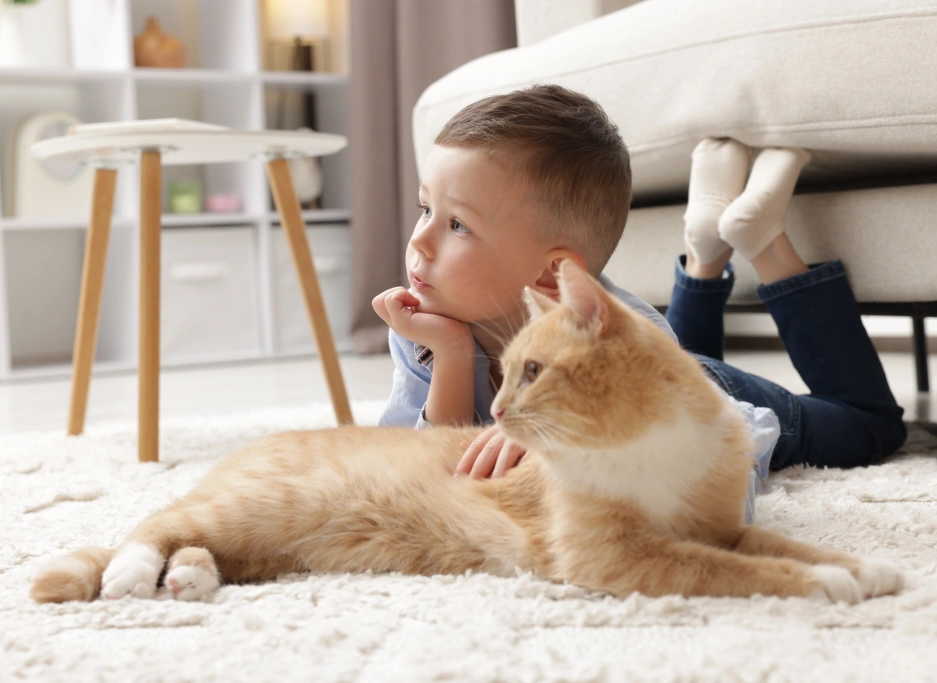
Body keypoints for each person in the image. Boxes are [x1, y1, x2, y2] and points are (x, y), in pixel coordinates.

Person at [371, 84, 906, 519]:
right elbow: (413, 474)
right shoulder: (426, 327)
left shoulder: (622, 343)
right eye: (425, 210)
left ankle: (766, 242)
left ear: (553, 273)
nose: (419, 241)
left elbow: (712, 487)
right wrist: (453, 356)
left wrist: (563, 453)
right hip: (663, 353)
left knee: (870, 425)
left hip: (703, 401)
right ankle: (704, 247)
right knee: (682, 348)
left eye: (457, 224)